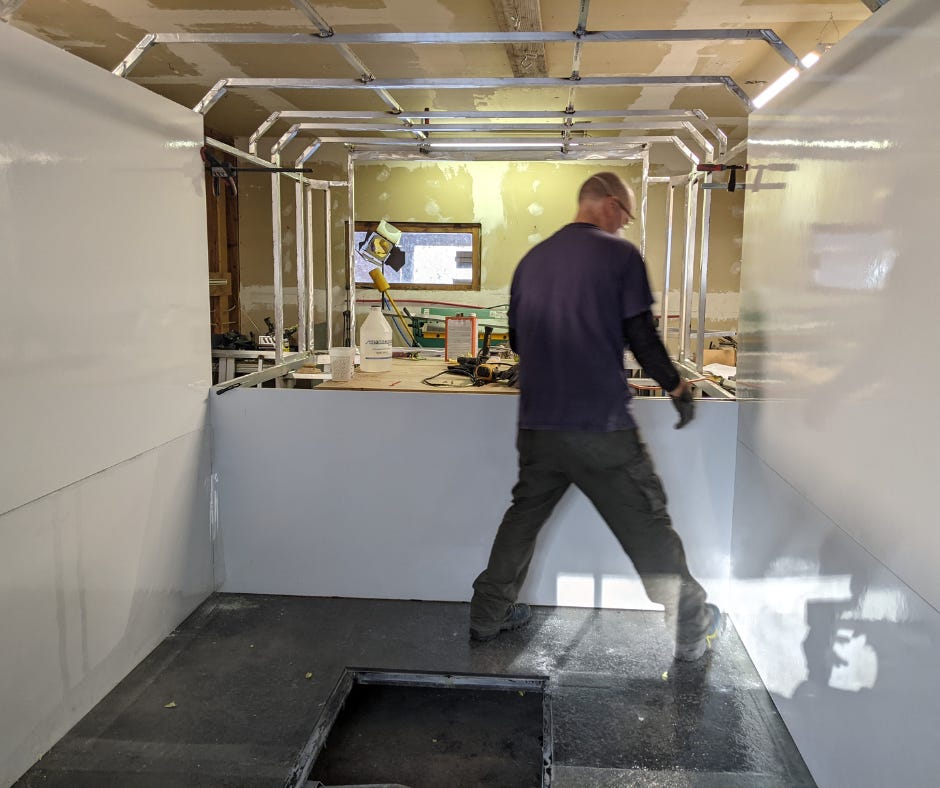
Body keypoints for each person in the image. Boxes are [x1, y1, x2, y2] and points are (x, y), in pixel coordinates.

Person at [469, 171, 722, 661]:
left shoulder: (532, 261)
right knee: (647, 528)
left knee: (521, 522)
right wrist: (675, 385)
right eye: (625, 215)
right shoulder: (619, 255)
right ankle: (692, 629)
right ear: (609, 203)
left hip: (538, 427)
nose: (624, 226)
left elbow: (522, 342)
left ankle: (487, 617)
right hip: (601, 430)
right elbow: (641, 335)